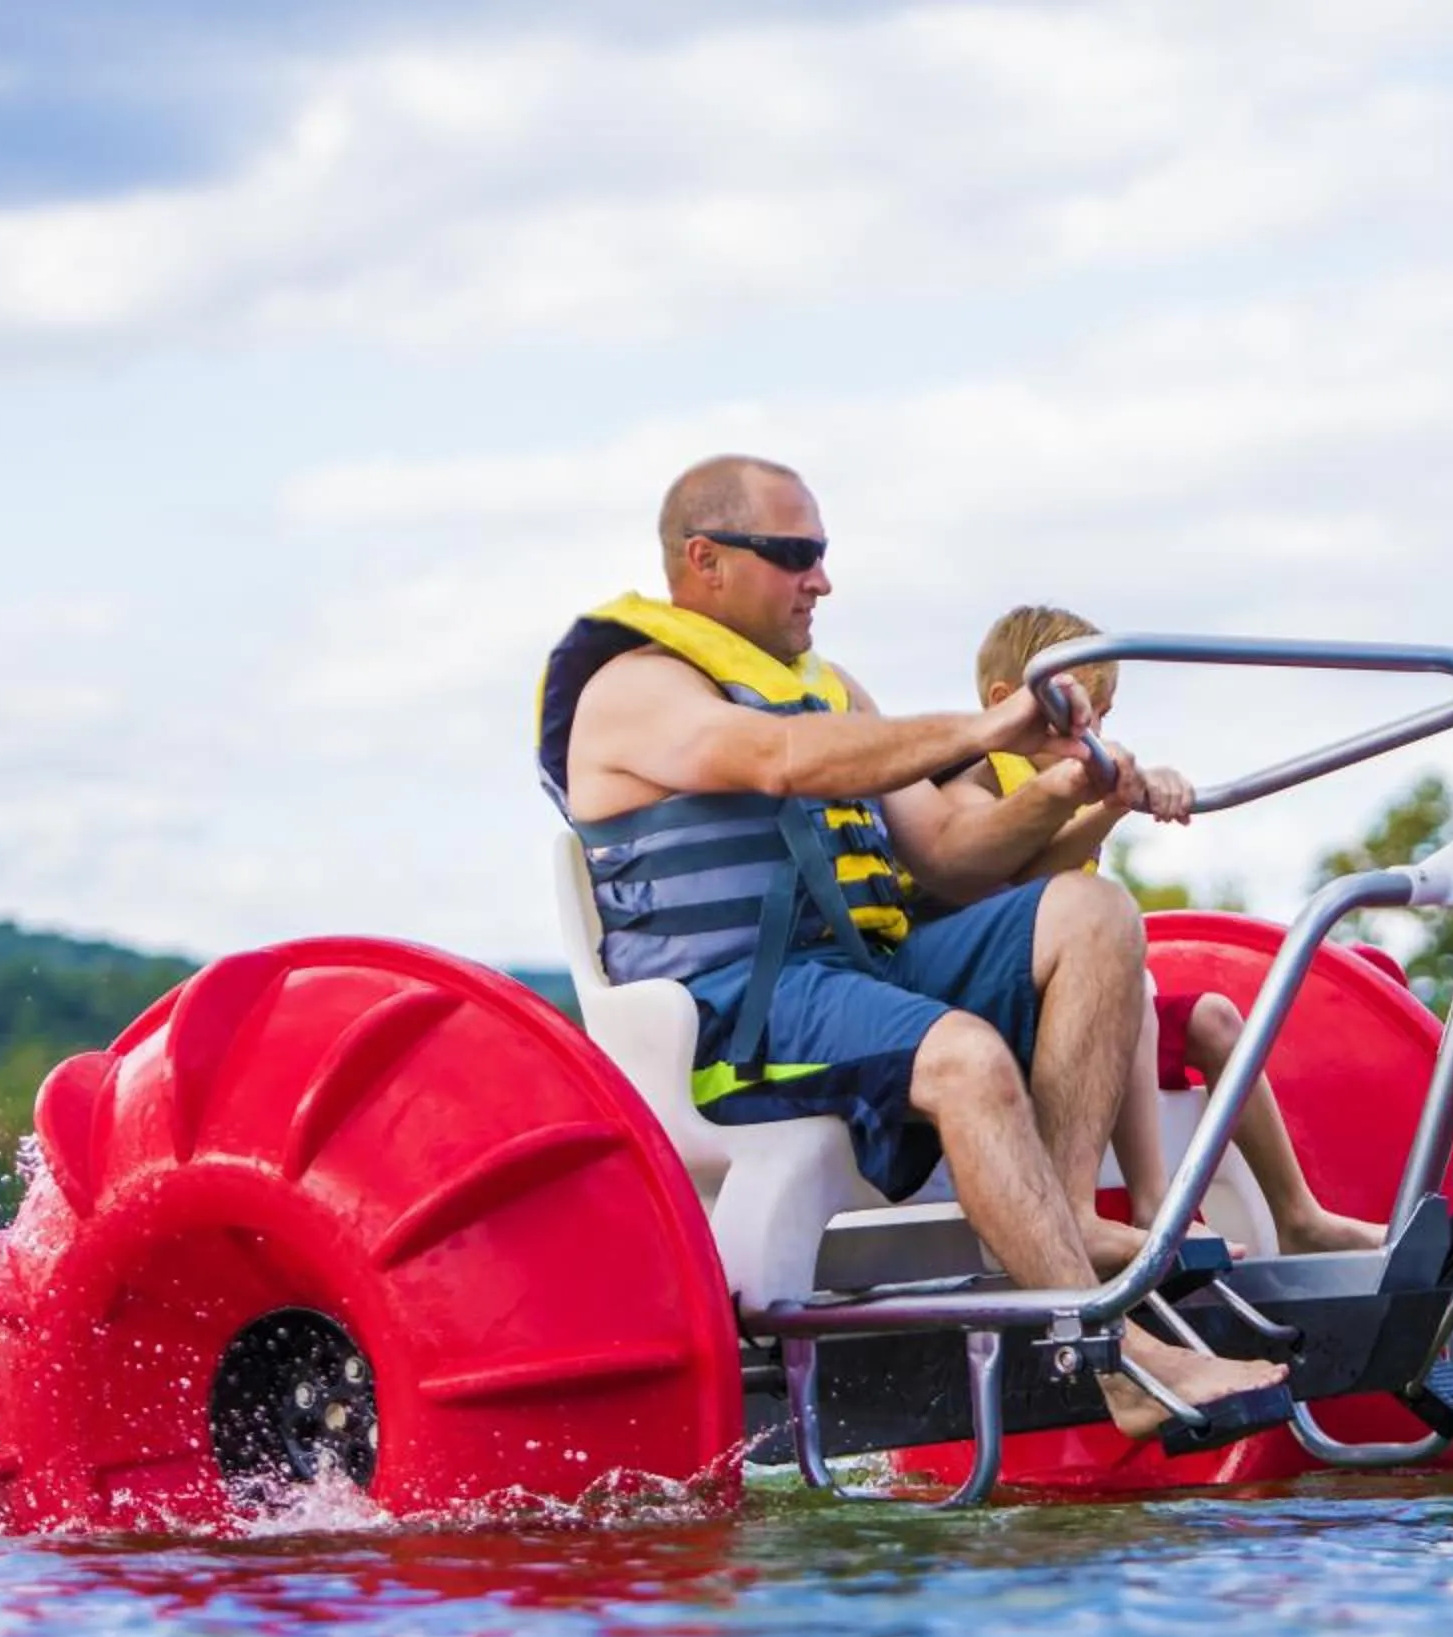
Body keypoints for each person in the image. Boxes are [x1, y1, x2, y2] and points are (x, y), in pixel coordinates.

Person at [535, 454, 1287, 1447]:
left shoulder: (830, 688)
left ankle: (1060, 1221)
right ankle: (1111, 1354)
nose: (822, 581)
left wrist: (1066, 793)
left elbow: (949, 855)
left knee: (1093, 914)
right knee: (965, 1054)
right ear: (704, 561)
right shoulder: (633, 689)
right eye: (795, 555)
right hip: (734, 1020)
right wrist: (992, 723)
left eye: (824, 555)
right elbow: (778, 761)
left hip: (854, 981)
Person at [965, 606, 1389, 1270]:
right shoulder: (980, 781)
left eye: (1105, 714)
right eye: (1079, 714)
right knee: (1125, 977)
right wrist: (1111, 805)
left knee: (1215, 1019)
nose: (1096, 733)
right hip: (1012, 1012)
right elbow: (1019, 874)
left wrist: (1119, 798)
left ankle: (1299, 1215)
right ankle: (1157, 1210)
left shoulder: (1066, 787)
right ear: (1005, 704)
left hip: (1071, 1006)